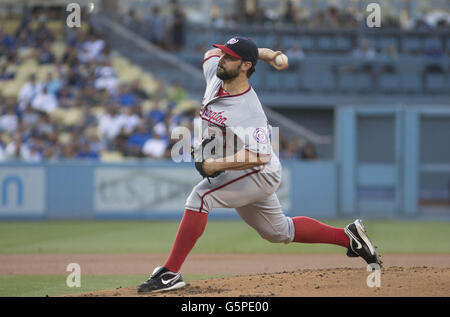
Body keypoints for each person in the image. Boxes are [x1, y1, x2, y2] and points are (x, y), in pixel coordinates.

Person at [137, 37, 382, 293]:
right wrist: (264, 53)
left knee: (200, 197)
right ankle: (349, 237)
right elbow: (210, 54)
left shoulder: (248, 109)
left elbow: (260, 155)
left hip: (258, 172)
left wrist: (214, 165)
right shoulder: (216, 73)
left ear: (244, 66)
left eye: (229, 57)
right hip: (241, 170)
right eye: (224, 54)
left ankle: (171, 273)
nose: (221, 59)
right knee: (278, 231)